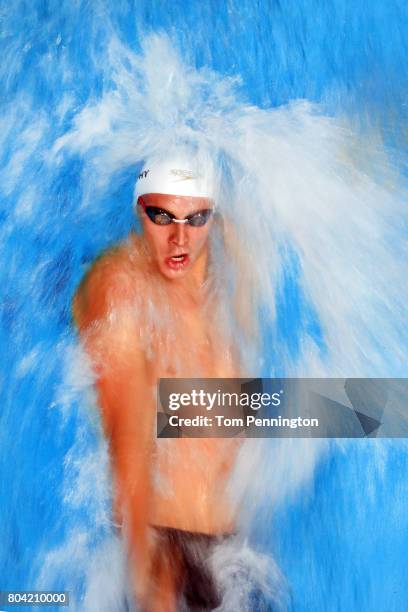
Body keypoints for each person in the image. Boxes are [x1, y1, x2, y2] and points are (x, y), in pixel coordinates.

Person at [72, 153, 245, 610]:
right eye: (162, 216)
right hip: (171, 548)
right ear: (139, 209)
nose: (179, 238)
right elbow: (127, 434)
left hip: (242, 547)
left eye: (196, 219)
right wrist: (150, 576)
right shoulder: (122, 285)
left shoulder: (232, 268)